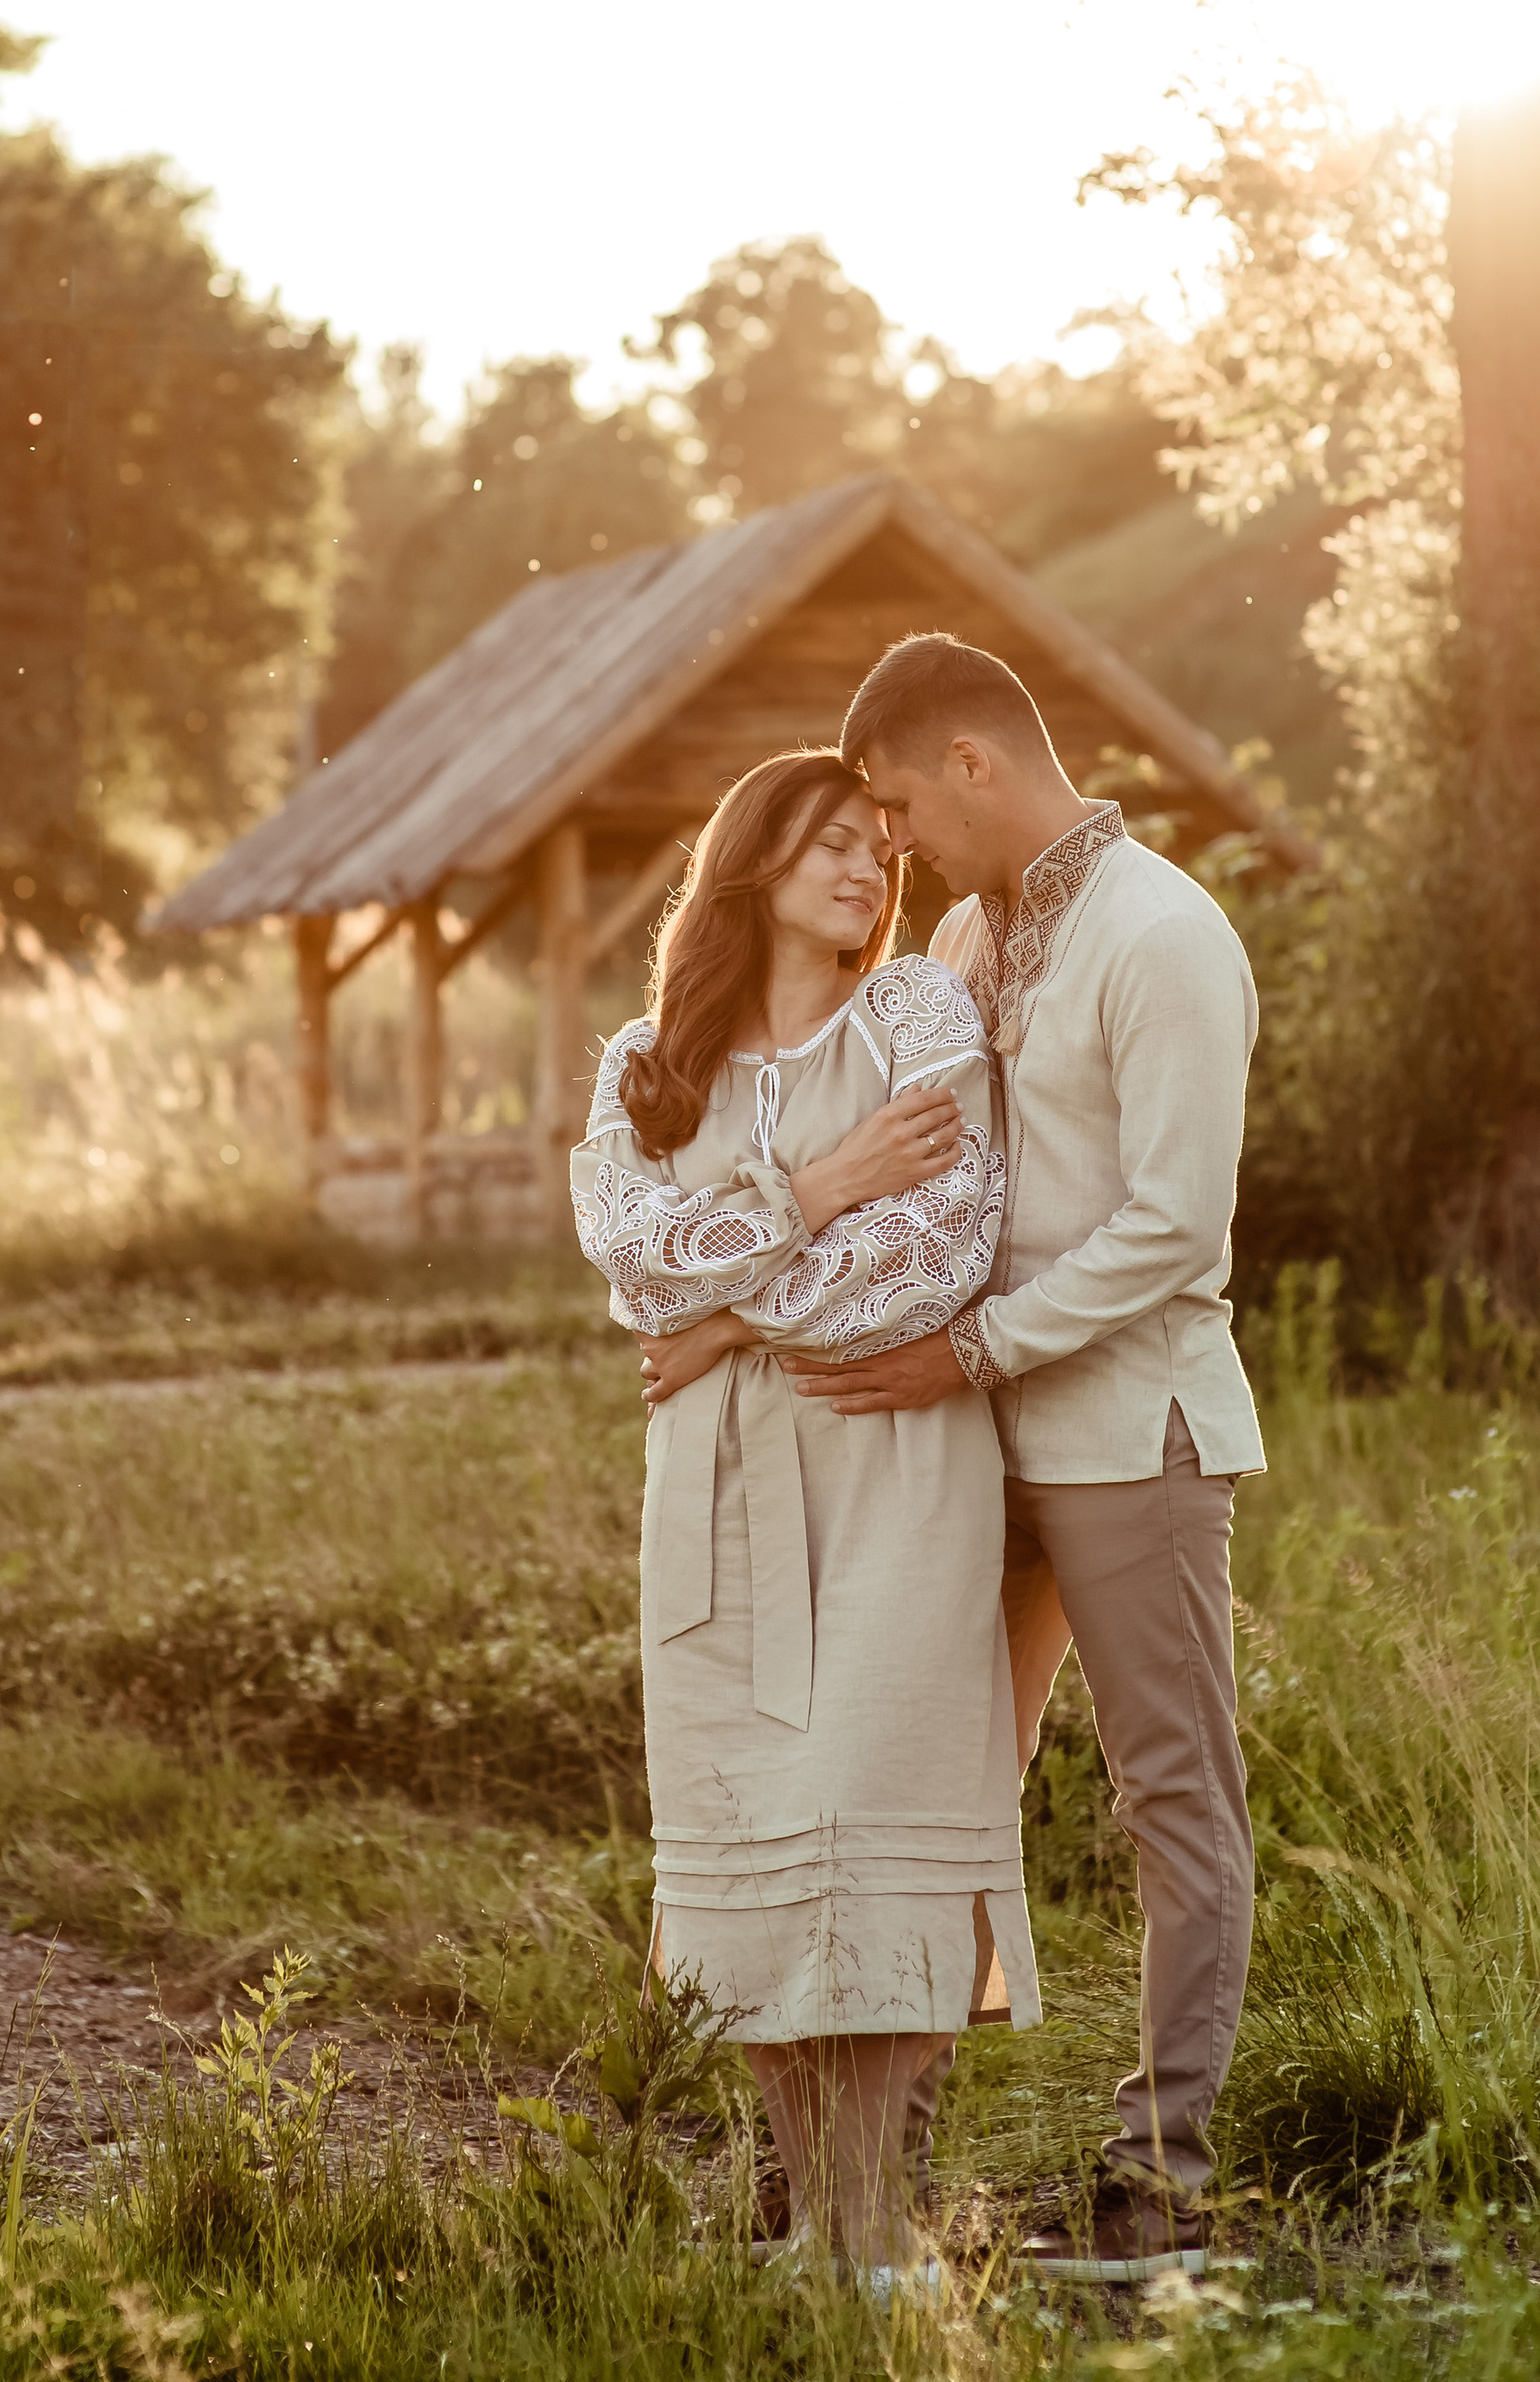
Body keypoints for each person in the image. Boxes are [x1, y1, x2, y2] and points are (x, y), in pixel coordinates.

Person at [780, 632, 1264, 2288]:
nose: (898, 851)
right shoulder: (969, 940)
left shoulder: (1165, 933)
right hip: (971, 1442)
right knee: (933, 1786)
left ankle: (1160, 2181)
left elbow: (1175, 1222)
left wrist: (976, 1345)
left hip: (1130, 1433)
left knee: (1170, 1796)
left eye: (905, 810)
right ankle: (881, 2175)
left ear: (973, 762)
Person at [569, 747, 1042, 2288]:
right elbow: (638, 1271)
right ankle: (831, 2235)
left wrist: (728, 1316)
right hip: (716, 1494)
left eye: (877, 848)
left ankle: (875, 2230)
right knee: (753, 1840)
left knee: (877, 1819)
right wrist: (819, 1183)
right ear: (752, 860)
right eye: (830, 841)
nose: (864, 868)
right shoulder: (648, 1063)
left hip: (893, 1462)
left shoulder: (918, 1014)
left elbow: (941, 1251)